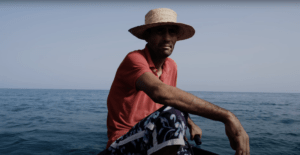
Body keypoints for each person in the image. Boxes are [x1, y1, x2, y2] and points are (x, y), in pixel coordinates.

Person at [105, 8, 250, 155]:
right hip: (123, 144)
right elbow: (160, 93)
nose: (167, 38)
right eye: (160, 31)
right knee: (172, 115)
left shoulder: (171, 66)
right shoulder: (134, 59)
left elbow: (170, 102)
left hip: (155, 140)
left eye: (172, 32)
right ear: (147, 36)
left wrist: (191, 124)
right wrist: (227, 116)